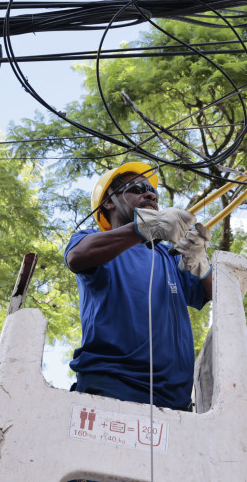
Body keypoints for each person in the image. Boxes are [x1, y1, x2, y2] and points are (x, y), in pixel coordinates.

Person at [65, 162, 213, 411]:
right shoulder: (92, 241)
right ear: (109, 202)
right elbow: (76, 257)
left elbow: (214, 295)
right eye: (137, 188)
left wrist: (201, 262)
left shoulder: (169, 258)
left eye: (152, 190)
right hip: (110, 393)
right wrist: (142, 228)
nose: (151, 194)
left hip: (175, 405)